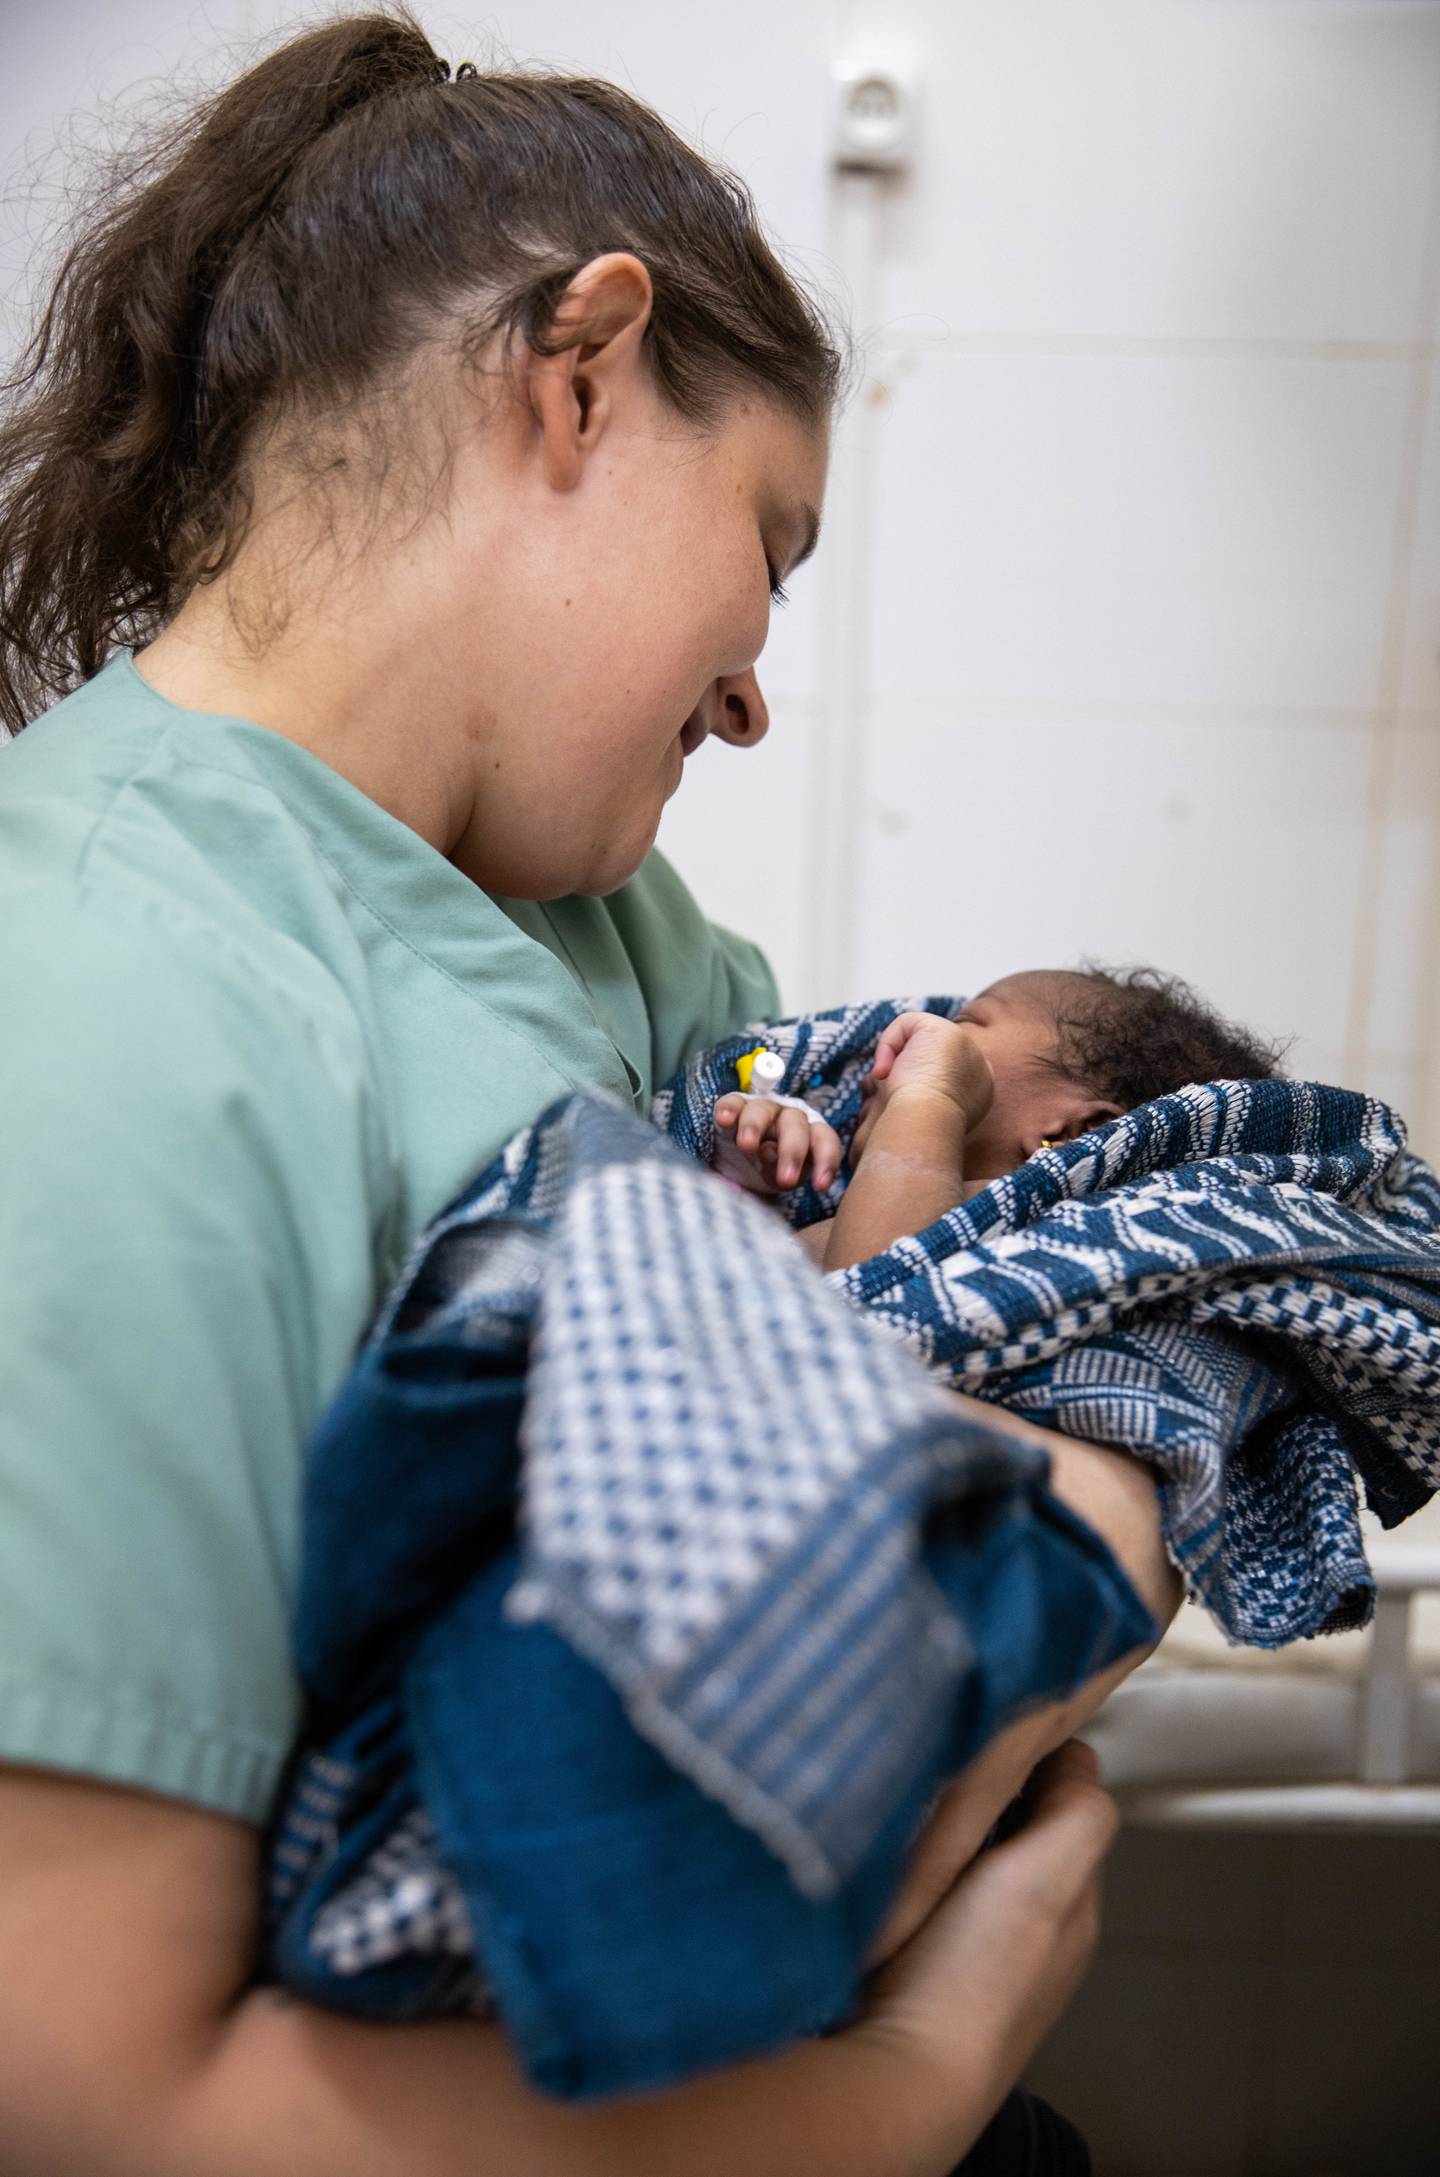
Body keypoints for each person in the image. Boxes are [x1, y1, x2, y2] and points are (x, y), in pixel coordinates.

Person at [0, 14, 1178, 2173]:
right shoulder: (91, 1000)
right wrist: (915, 2074)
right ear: (584, 373)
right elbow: (92, 2094)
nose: (752, 696)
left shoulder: (616, 935)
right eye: (771, 546)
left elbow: (917, 1339)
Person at [713, 964, 1285, 1270]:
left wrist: (930, 1097)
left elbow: (884, 1306)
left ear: (1072, 1133)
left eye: (966, 1026)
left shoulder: (1045, 1236)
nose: (885, 1050)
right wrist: (755, 1184)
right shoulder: (896, 1200)